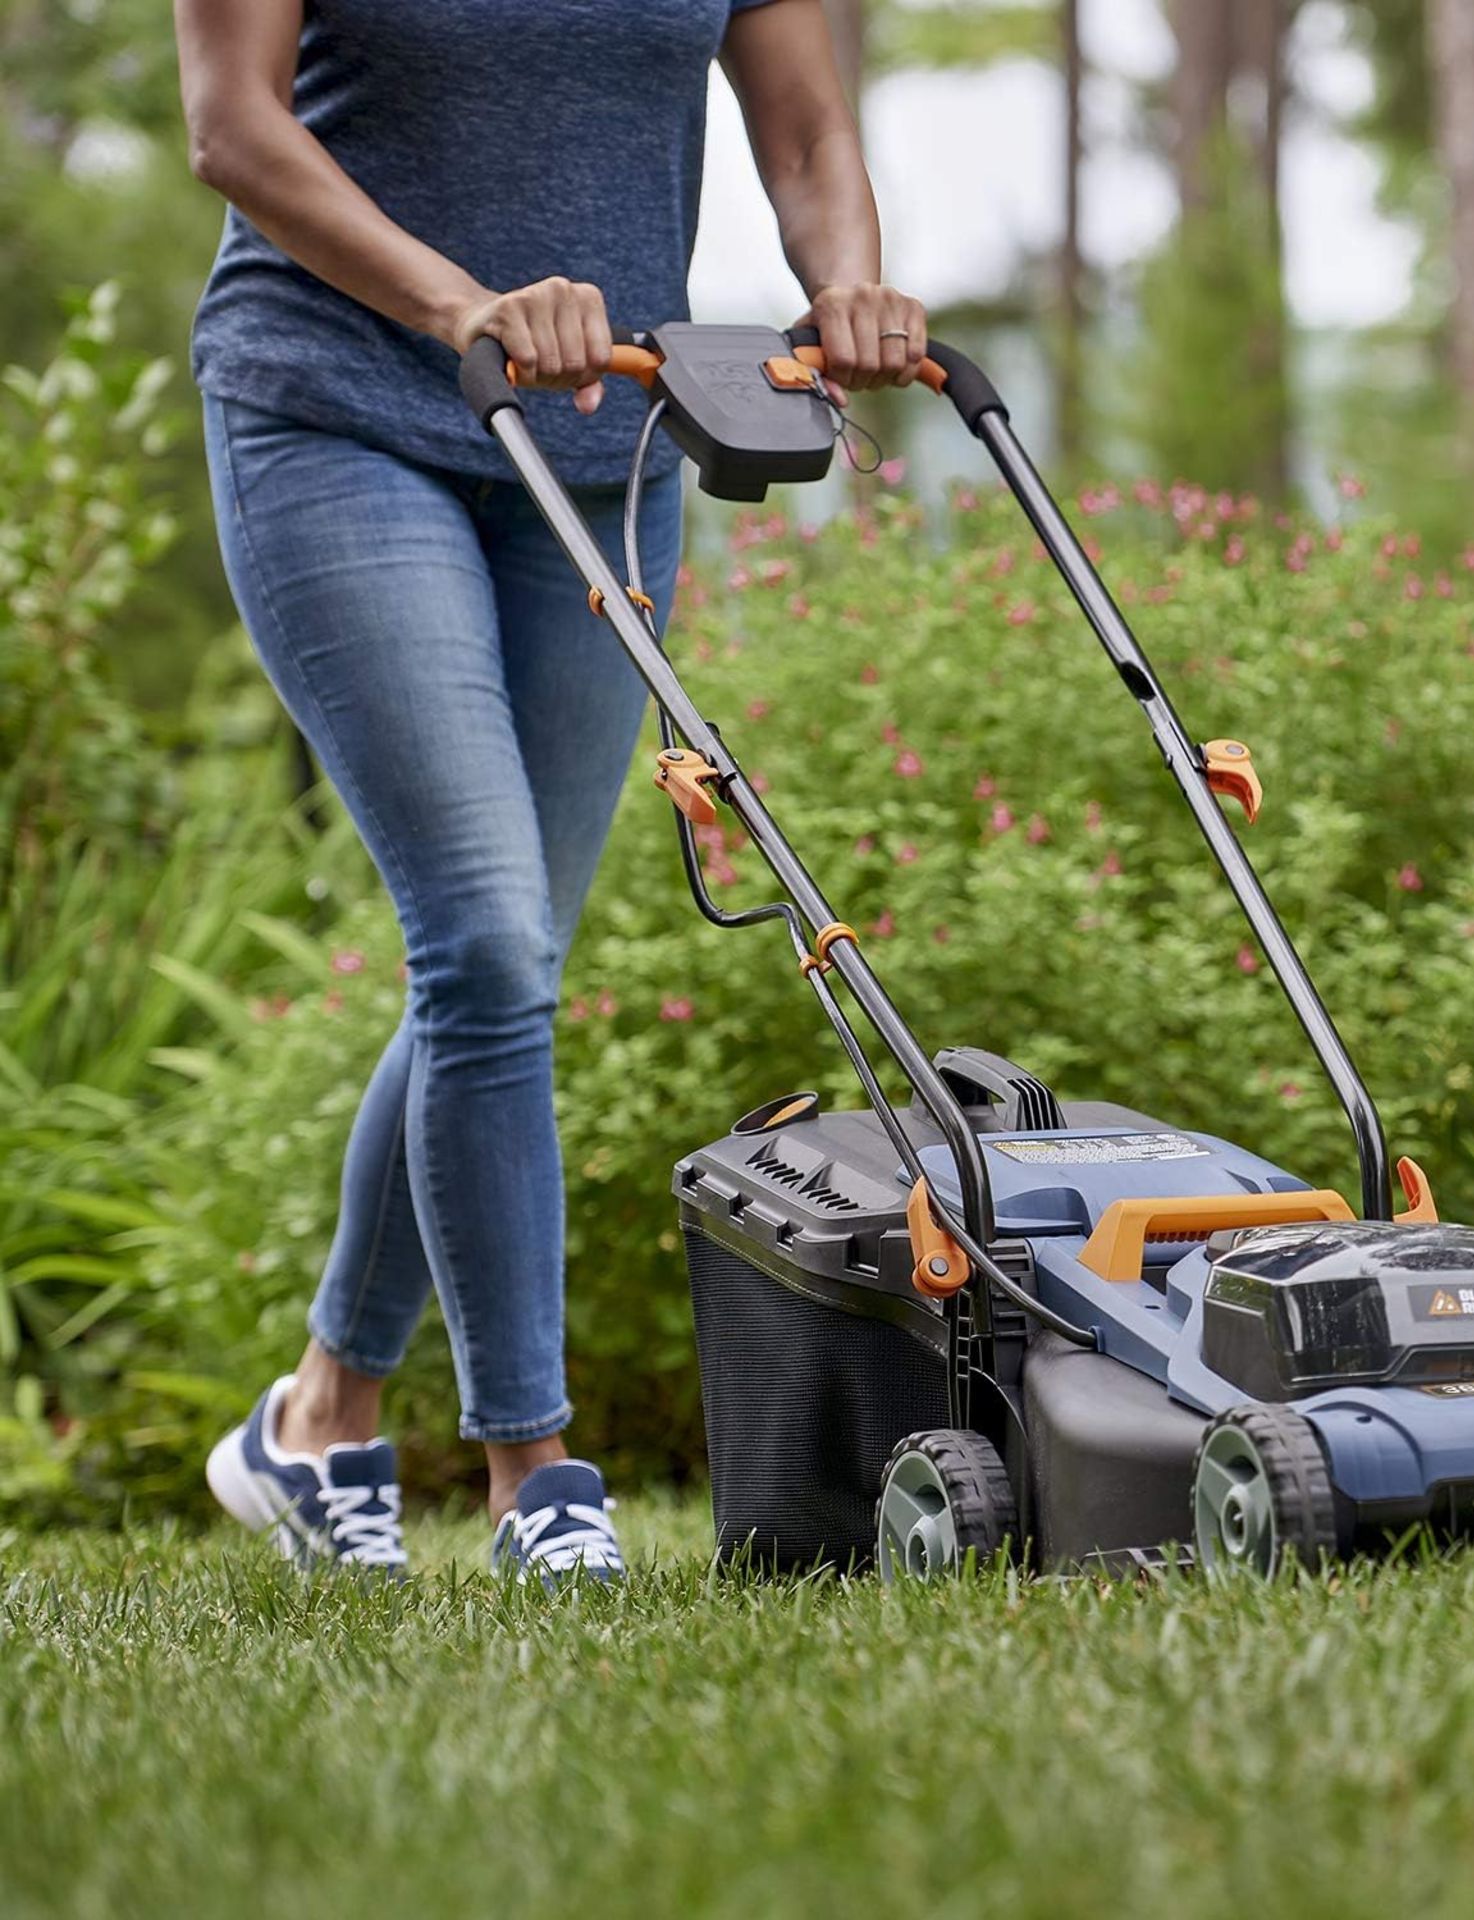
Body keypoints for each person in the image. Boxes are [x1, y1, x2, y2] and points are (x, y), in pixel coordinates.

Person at [177, 0, 925, 1584]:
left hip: (605, 444)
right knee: (487, 945)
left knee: (499, 970)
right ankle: (538, 1475)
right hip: (339, 414)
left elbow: (800, 124)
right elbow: (233, 127)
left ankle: (319, 1416)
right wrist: (464, 302)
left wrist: (844, 276)